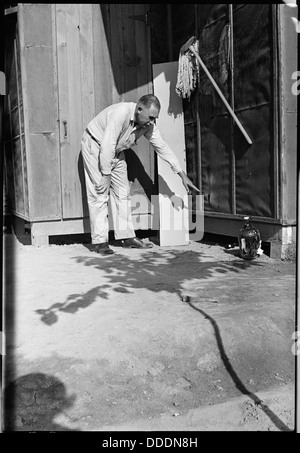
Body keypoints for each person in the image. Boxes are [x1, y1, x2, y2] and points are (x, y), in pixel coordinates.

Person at [81, 94, 200, 255]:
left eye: (155, 118)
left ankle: (127, 237)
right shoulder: (121, 113)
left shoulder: (148, 125)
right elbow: (107, 144)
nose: (152, 121)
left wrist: (181, 174)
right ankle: (100, 242)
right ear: (139, 109)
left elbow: (162, 147)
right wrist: (106, 174)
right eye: (151, 117)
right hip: (95, 145)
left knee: (123, 193)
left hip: (116, 151)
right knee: (100, 193)